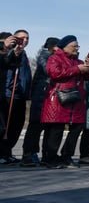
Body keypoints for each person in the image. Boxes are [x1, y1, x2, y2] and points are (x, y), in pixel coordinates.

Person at [41, 35, 89, 168]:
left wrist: (88, 67)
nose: (77, 49)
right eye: (74, 46)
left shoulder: (78, 61)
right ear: (64, 47)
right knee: (56, 129)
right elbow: (55, 73)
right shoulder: (55, 58)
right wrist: (77, 69)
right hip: (58, 98)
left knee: (77, 127)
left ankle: (67, 156)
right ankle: (50, 158)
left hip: (75, 99)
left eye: (78, 46)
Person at [20, 37, 58, 167]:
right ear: (52, 47)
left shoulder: (50, 56)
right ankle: (28, 154)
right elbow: (50, 71)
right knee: (36, 125)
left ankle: (43, 154)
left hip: (46, 94)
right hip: (42, 94)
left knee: (47, 126)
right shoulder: (45, 56)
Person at [0, 30, 32, 165]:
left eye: (27, 38)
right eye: (20, 38)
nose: (24, 41)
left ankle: (7, 152)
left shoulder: (23, 54)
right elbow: (7, 64)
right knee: (4, 127)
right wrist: (4, 47)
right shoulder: (6, 50)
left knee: (16, 126)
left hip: (21, 95)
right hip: (7, 93)